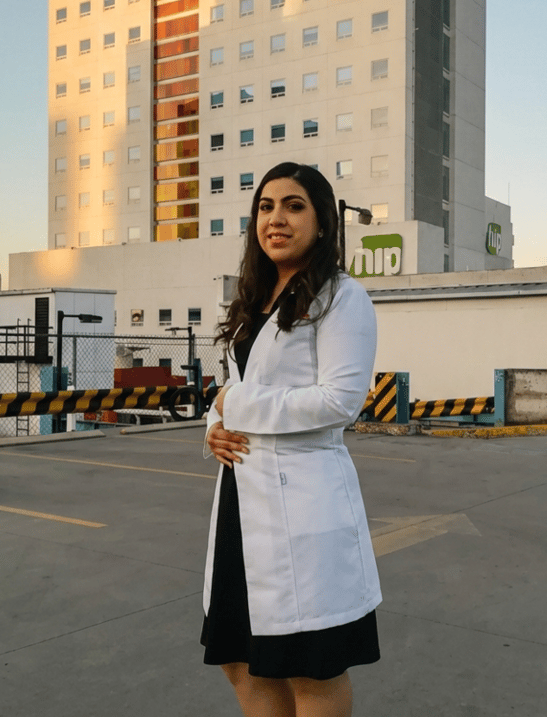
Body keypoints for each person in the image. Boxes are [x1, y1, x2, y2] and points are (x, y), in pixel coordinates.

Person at [201, 162, 382, 717]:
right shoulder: (252, 298)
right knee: (241, 659)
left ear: (324, 222)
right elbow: (235, 387)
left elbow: (339, 401)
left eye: (294, 206)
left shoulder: (342, 297)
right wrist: (214, 425)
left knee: (311, 670)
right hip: (240, 499)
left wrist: (237, 406)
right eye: (265, 206)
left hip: (303, 503)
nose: (275, 218)